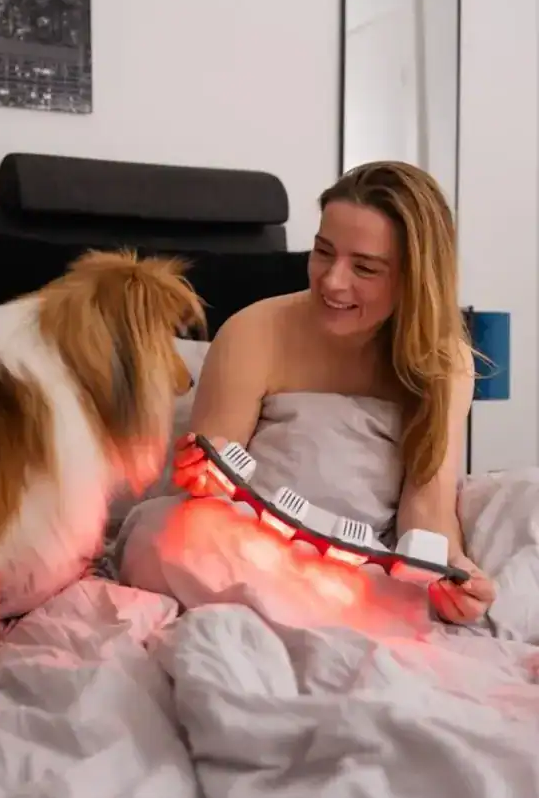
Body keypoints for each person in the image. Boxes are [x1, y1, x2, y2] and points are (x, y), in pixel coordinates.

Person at [172, 160, 496, 626]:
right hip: (248, 541)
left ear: (413, 279)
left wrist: (451, 571)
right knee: (181, 535)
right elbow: (212, 490)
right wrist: (200, 473)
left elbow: (427, 506)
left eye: (364, 267)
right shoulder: (253, 333)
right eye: (323, 252)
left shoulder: (445, 366)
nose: (331, 280)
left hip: (356, 560)